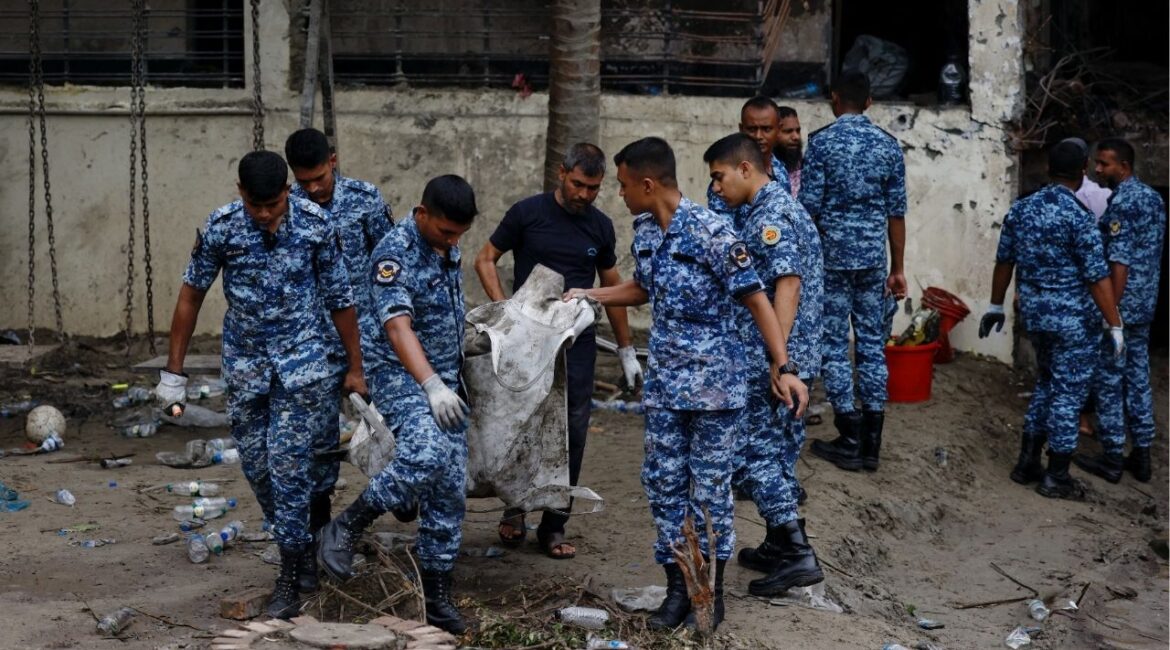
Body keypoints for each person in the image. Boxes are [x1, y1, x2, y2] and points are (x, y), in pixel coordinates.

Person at [567, 137, 808, 631]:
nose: (620, 193)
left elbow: (758, 300)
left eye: (624, 184)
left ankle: (709, 592)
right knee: (663, 484)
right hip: (666, 389)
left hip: (716, 391)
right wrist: (591, 293)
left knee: (711, 490)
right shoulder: (646, 231)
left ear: (648, 183)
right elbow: (643, 287)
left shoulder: (712, 232)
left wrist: (781, 366)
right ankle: (678, 588)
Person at [154, 151, 367, 618]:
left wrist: (355, 366)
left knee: (288, 464)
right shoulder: (222, 227)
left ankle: (291, 575)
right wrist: (174, 372)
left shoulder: (315, 225)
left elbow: (341, 299)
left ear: (287, 192)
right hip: (247, 366)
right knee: (258, 467)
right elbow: (191, 295)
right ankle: (310, 534)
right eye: (257, 205)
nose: (266, 213)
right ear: (240, 192)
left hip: (305, 365)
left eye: (273, 203)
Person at [316, 175, 478, 634]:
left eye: (458, 235)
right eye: (445, 231)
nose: (452, 241)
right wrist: (430, 385)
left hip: (446, 378)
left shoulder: (447, 247)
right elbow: (397, 328)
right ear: (421, 213)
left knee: (448, 484)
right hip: (402, 376)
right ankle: (346, 525)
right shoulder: (394, 254)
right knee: (425, 451)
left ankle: (437, 591)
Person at [474, 142, 642, 560]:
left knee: (573, 431)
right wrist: (507, 314)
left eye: (594, 188)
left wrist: (626, 349)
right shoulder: (527, 213)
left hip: (576, 344)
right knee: (522, 424)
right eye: (579, 184)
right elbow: (485, 259)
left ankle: (554, 524)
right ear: (562, 174)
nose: (585, 194)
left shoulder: (600, 227)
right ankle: (514, 511)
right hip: (527, 342)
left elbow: (612, 286)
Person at [703, 133, 825, 597]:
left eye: (720, 176)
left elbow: (786, 287)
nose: (716, 188)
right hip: (785, 354)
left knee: (755, 454)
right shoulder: (764, 208)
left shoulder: (770, 215)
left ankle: (797, 554)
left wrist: (781, 362)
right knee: (774, 451)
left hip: (774, 357)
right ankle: (780, 542)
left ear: (746, 169)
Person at [977, 140, 1124, 500]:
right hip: (1073, 323)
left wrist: (996, 305)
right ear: (1084, 168)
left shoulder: (1022, 209)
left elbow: (1004, 261)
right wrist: (1115, 324)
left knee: (1046, 383)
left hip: (1036, 318)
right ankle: (1056, 475)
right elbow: (1096, 276)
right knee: (1068, 394)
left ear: (1048, 169)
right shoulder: (1079, 217)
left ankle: (1027, 462)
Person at [284, 128, 394, 574]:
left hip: (366, 340)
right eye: (303, 181)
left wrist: (380, 343)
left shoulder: (366, 200)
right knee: (317, 444)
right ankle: (319, 532)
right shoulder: (286, 208)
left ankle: (392, 503)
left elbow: (388, 265)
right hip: (310, 346)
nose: (312, 188)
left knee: (385, 431)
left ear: (334, 160)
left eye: (319, 178)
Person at [799, 71, 907, 473]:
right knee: (871, 345)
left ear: (833, 98)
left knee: (833, 344)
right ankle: (872, 443)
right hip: (873, 262)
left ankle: (849, 433)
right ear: (869, 102)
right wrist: (897, 269)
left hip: (832, 262)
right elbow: (897, 214)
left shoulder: (822, 143)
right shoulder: (888, 146)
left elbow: (809, 209)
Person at [1074, 138, 1166, 484]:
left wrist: (1109, 311)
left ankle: (1112, 457)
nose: (1098, 170)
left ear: (1123, 167)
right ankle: (1141, 455)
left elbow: (1120, 263)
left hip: (1122, 307)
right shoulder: (1152, 198)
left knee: (1110, 379)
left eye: (1104, 164)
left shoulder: (1125, 202)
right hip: (1144, 306)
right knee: (1139, 377)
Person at [708, 96, 793, 222]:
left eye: (766, 129)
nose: (759, 136)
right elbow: (723, 232)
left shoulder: (781, 171)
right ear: (741, 129)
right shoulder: (727, 180)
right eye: (752, 129)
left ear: (779, 129)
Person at [776, 105, 804, 196]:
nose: (796, 137)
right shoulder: (764, 169)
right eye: (788, 131)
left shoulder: (806, 166)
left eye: (798, 131)